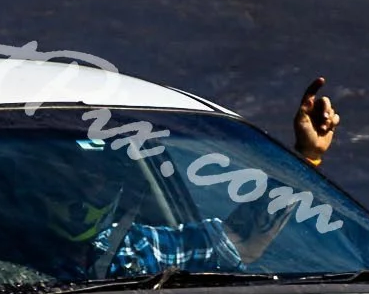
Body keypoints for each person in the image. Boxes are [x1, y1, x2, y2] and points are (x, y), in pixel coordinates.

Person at [47, 76, 340, 279]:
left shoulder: (136, 249)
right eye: (76, 178)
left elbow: (243, 242)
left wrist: (305, 157)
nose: (88, 191)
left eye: (101, 179)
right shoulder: (4, 239)